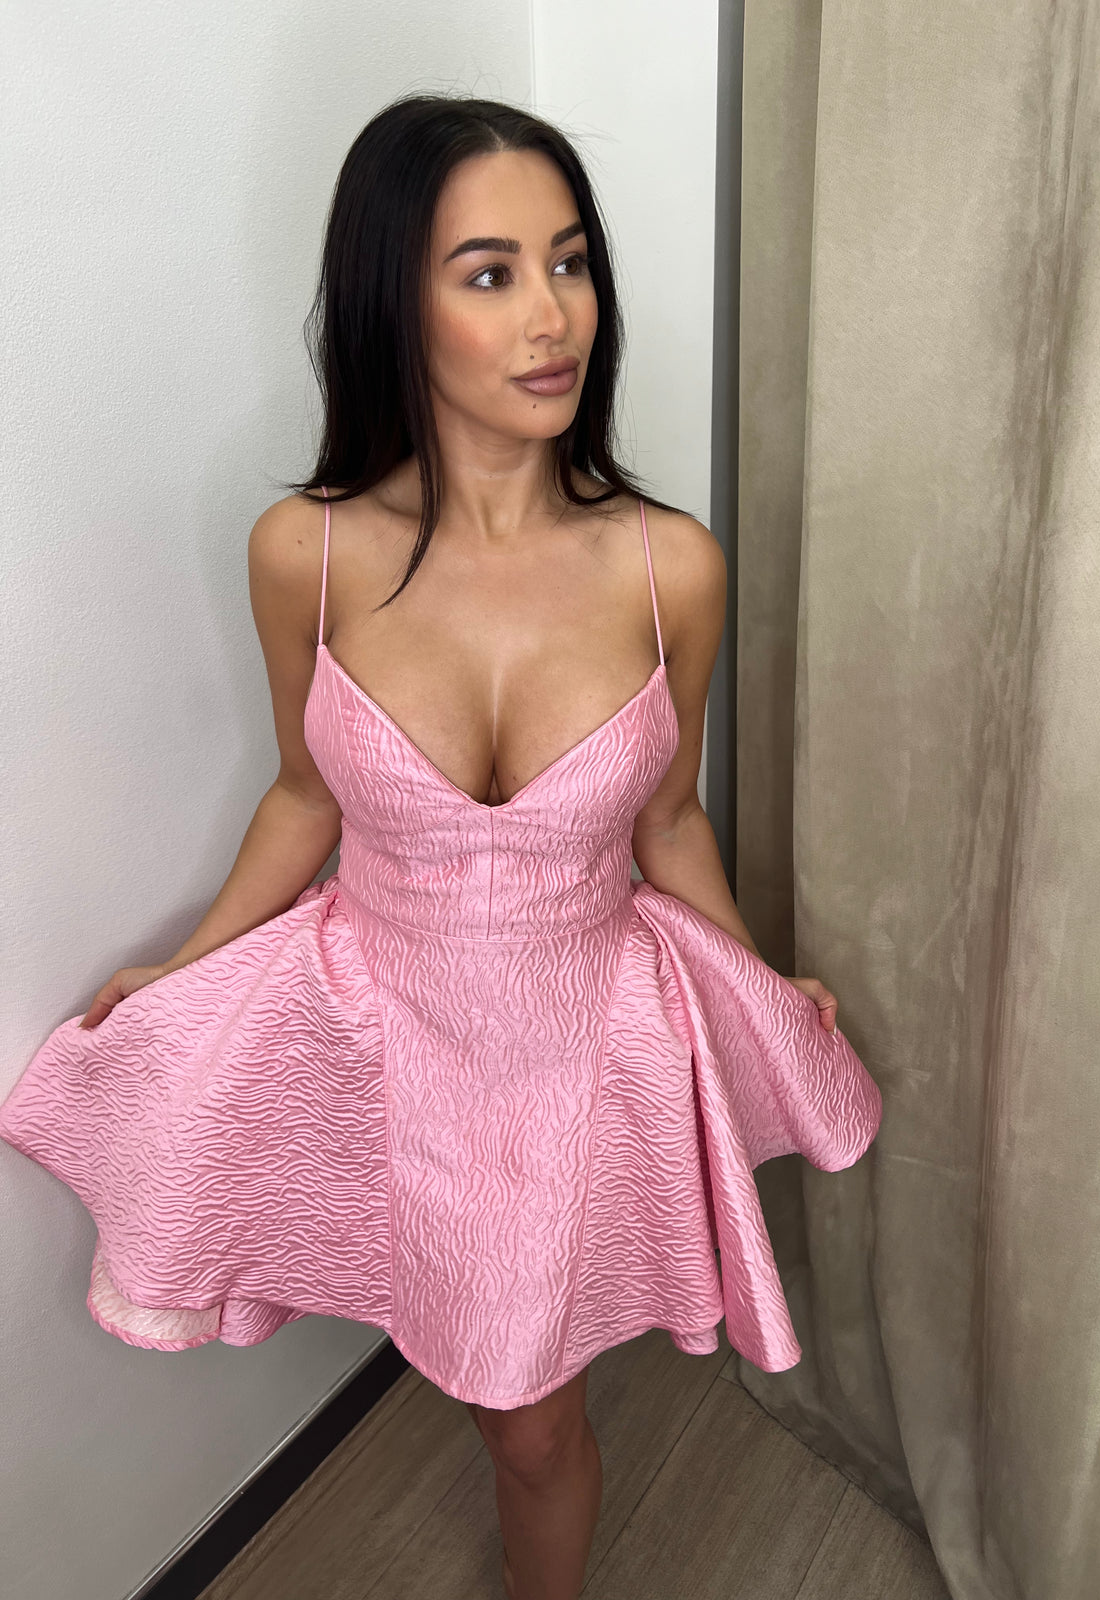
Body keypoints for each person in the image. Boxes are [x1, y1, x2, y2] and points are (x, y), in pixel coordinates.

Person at [0, 95, 882, 1600]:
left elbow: (668, 816)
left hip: (576, 1047)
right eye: (490, 273)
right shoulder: (304, 552)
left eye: (571, 262)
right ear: (390, 302)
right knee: (486, 1385)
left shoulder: (671, 568)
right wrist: (189, 965)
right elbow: (305, 795)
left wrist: (758, 985)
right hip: (387, 1032)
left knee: (528, 1423)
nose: (554, 317)